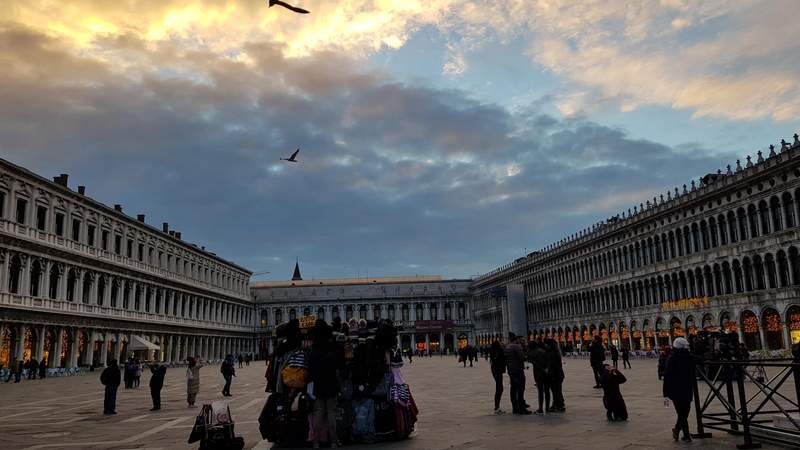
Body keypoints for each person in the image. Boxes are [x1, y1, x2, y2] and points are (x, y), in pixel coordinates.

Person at [309, 320, 342, 449]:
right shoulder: (331, 344)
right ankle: (334, 441)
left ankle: (316, 442)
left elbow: (311, 366)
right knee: (331, 413)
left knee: (318, 413)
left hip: (319, 383)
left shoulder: (314, 347)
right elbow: (337, 362)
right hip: (331, 381)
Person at [663, 337, 696, 442]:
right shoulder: (688, 357)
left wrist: (665, 393)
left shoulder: (672, 357)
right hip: (686, 388)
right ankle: (685, 435)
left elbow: (667, 376)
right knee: (684, 412)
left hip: (675, 390)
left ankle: (677, 430)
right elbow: (700, 359)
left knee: (682, 413)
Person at [505, 334, 531, 415]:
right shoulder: (516, 347)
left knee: (513, 389)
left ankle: (515, 408)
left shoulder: (507, 347)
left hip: (510, 370)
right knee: (520, 389)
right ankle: (521, 408)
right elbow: (522, 357)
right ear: (516, 340)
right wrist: (526, 355)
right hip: (518, 370)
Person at [528, 341, 550, 414]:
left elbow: (532, 361)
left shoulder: (532, 353)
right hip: (546, 373)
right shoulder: (543, 351)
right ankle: (547, 407)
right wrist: (546, 369)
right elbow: (547, 361)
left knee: (540, 391)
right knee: (547, 390)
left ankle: (540, 408)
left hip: (538, 374)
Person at [546, 338, 565, 412]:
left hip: (555, 375)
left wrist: (552, 375)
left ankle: (559, 406)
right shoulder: (554, 352)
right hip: (558, 375)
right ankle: (559, 404)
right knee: (557, 391)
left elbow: (553, 366)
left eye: (546, 344)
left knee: (556, 391)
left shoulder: (552, 353)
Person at [489, 340, 506, 414]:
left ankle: (497, 406)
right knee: (499, 388)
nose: (501, 343)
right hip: (498, 370)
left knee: (499, 387)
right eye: (500, 342)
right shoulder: (499, 351)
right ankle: (497, 407)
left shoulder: (493, 351)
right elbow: (504, 359)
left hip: (494, 369)